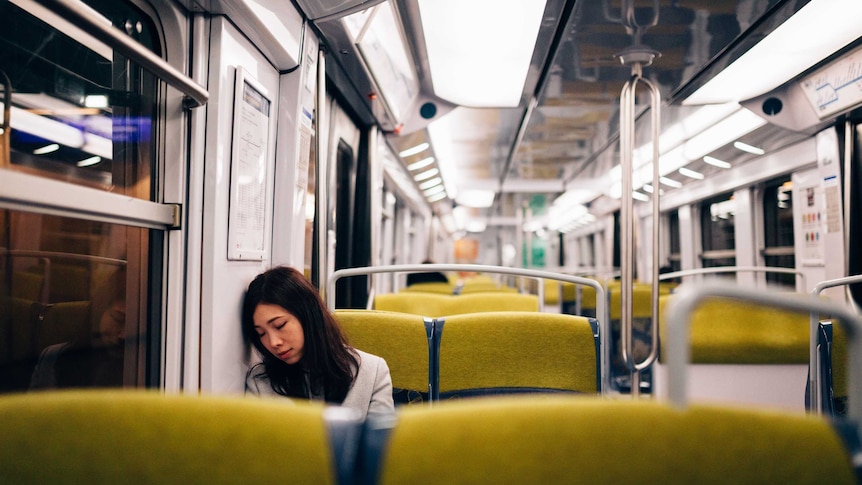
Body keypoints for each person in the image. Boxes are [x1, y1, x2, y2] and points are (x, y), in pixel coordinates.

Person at [242, 266, 394, 419]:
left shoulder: (372, 373)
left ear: (308, 315)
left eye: (280, 325)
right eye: (261, 333)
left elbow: (381, 441)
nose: (273, 342)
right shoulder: (259, 383)